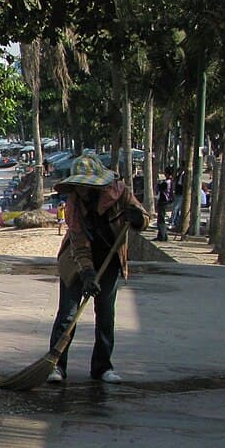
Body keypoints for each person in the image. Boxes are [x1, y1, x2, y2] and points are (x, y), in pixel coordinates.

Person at [45, 157, 150, 385]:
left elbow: (144, 218)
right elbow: (78, 241)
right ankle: (56, 366)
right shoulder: (74, 204)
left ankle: (103, 367)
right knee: (68, 315)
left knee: (105, 315)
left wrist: (138, 219)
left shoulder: (120, 193)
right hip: (76, 261)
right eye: (79, 186)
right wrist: (87, 274)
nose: (83, 191)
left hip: (110, 258)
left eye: (87, 186)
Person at [153, 171, 175, 242]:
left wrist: (158, 184)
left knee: (161, 219)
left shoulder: (166, 182)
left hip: (163, 201)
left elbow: (160, 188)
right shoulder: (170, 182)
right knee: (161, 219)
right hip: (165, 201)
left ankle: (162, 236)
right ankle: (163, 235)